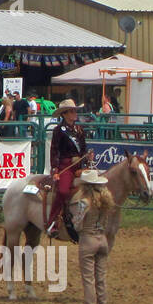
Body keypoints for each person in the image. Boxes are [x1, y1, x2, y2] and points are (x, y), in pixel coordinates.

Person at [71, 169, 114, 304]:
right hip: (102, 239)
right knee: (101, 277)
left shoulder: (84, 202)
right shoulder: (105, 201)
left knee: (88, 278)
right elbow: (107, 222)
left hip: (88, 239)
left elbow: (77, 223)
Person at [46, 99, 90, 238]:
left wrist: (85, 162)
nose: (74, 113)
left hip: (78, 167)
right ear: (64, 114)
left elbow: (83, 149)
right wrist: (55, 170)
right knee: (63, 191)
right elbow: (54, 151)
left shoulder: (79, 130)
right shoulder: (59, 131)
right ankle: (52, 222)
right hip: (65, 166)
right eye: (71, 111)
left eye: (75, 110)